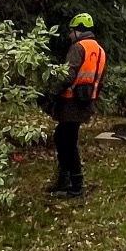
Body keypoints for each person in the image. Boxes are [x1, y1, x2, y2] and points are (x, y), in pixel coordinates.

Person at [49, 13, 107, 199]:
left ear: (78, 31)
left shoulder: (78, 47)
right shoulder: (100, 50)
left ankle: (75, 185)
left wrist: (52, 93)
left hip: (71, 102)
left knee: (66, 142)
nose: (69, 35)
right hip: (86, 102)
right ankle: (66, 181)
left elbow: (68, 75)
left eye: (71, 31)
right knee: (63, 138)